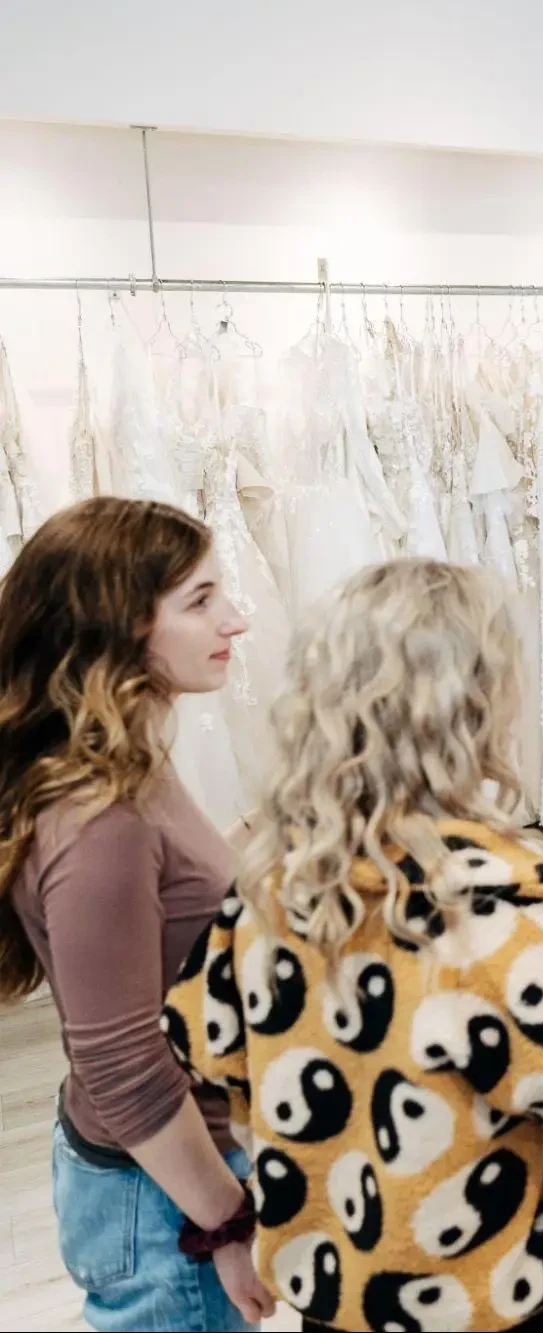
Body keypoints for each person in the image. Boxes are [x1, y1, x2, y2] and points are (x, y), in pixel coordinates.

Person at [161, 559, 543, 1332]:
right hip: (527, 1304)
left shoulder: (267, 894)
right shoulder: (502, 918)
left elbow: (199, 1041)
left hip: (346, 1305)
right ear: (475, 707)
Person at [0, 498, 271, 1331]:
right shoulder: (103, 815)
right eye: (200, 601)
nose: (236, 618)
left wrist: (271, 821)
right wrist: (224, 1222)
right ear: (119, 627)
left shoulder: (125, 763)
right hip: (166, 1202)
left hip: (166, 1180)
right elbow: (122, 1064)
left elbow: (167, 912)